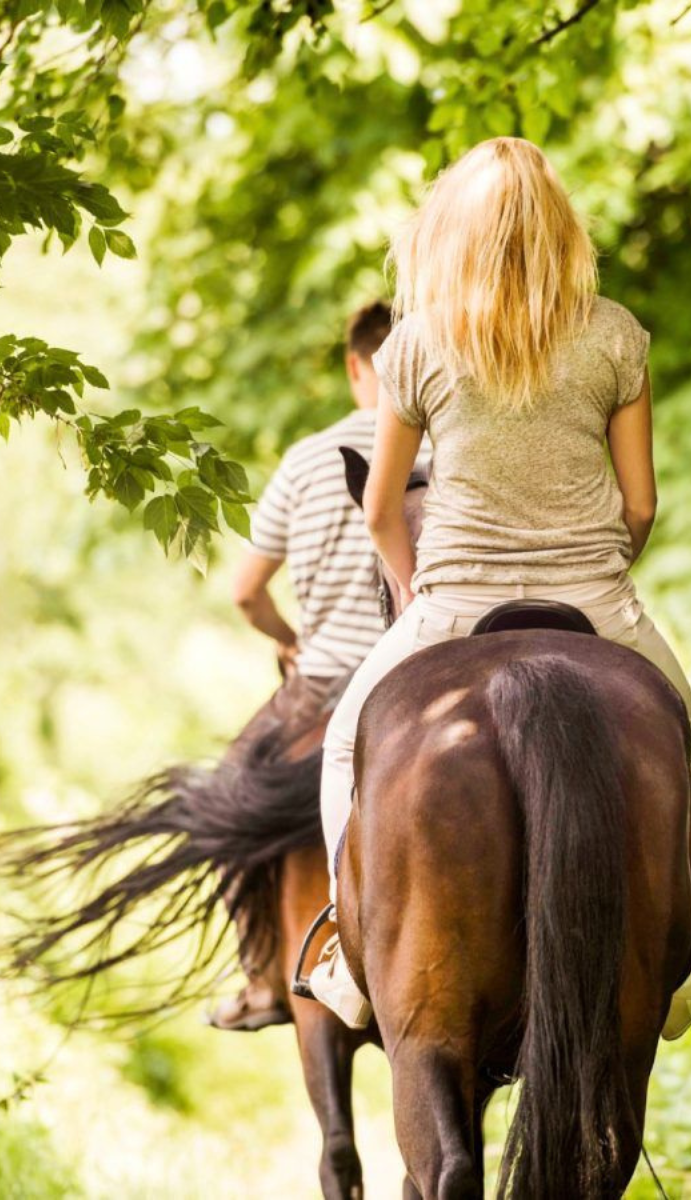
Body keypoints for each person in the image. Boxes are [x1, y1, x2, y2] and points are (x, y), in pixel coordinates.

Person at [308, 137, 691, 1040]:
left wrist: (420, 590)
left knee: (346, 745)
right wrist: (602, 570)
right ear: (562, 229)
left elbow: (382, 508)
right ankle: (690, 965)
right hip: (596, 596)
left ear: (450, 233)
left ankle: (347, 955)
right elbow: (641, 504)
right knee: (687, 744)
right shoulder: (615, 334)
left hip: (453, 601)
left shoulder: (415, 344)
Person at [206, 301, 398, 1032]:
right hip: (418, 658)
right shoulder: (445, 443)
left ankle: (260, 977)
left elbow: (245, 592)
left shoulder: (308, 458)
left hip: (322, 676)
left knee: (231, 795)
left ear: (356, 366)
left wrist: (286, 638)